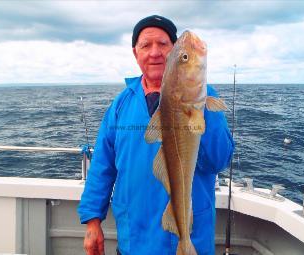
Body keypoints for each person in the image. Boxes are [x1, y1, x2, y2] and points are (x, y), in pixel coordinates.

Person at [78, 15, 234, 255]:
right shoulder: (121, 105)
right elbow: (102, 165)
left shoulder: (203, 96)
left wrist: (200, 106)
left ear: (172, 52)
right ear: (135, 52)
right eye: (146, 45)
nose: (154, 52)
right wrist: (92, 220)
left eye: (163, 44)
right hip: (134, 240)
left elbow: (219, 159)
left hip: (191, 237)